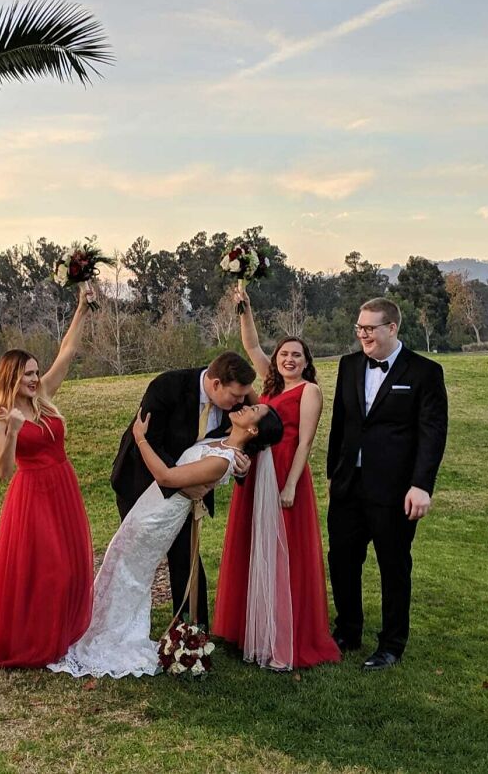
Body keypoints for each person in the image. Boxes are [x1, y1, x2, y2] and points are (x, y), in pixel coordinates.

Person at [50, 403, 284, 678]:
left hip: (160, 515)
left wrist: (140, 438)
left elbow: (166, 476)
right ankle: (93, 625)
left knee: (130, 573)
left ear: (253, 429)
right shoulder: (222, 440)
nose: (245, 406)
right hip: (152, 503)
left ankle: (110, 636)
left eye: (253, 410)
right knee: (118, 560)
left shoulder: (223, 460)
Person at [0, 290, 95, 669]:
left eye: (35, 372)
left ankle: (58, 636)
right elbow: (2, 470)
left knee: (74, 567)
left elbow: (68, 352)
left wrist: (81, 308)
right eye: (27, 374)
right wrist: (13, 431)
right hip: (31, 494)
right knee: (51, 571)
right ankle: (34, 642)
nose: (34, 378)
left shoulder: (43, 395)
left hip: (63, 486)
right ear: (12, 376)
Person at [213, 290, 340, 670]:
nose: (288, 359)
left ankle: (284, 630)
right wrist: (245, 307)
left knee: (283, 551)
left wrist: (290, 486)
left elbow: (305, 443)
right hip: (257, 470)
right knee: (254, 544)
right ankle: (251, 626)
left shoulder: (310, 391)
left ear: (306, 362)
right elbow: (250, 344)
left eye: (296, 355)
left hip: (286, 472)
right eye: (284, 353)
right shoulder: (267, 387)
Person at [327, 297, 448, 671]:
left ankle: (392, 644)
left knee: (394, 567)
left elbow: (432, 433)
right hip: (349, 486)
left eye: (369, 328)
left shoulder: (425, 372)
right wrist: (334, 473)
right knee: (343, 560)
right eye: (359, 328)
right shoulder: (348, 366)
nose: (362, 335)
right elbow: (340, 424)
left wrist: (421, 486)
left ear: (392, 328)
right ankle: (347, 631)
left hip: (395, 491)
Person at [110, 352, 256, 628]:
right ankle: (122, 624)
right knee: (136, 557)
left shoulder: (237, 402)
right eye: (235, 397)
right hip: (140, 484)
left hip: (187, 494)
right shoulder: (167, 386)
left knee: (186, 559)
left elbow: (248, 439)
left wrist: (242, 466)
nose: (240, 403)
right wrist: (182, 482)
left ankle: (191, 634)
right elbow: (150, 441)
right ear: (215, 385)